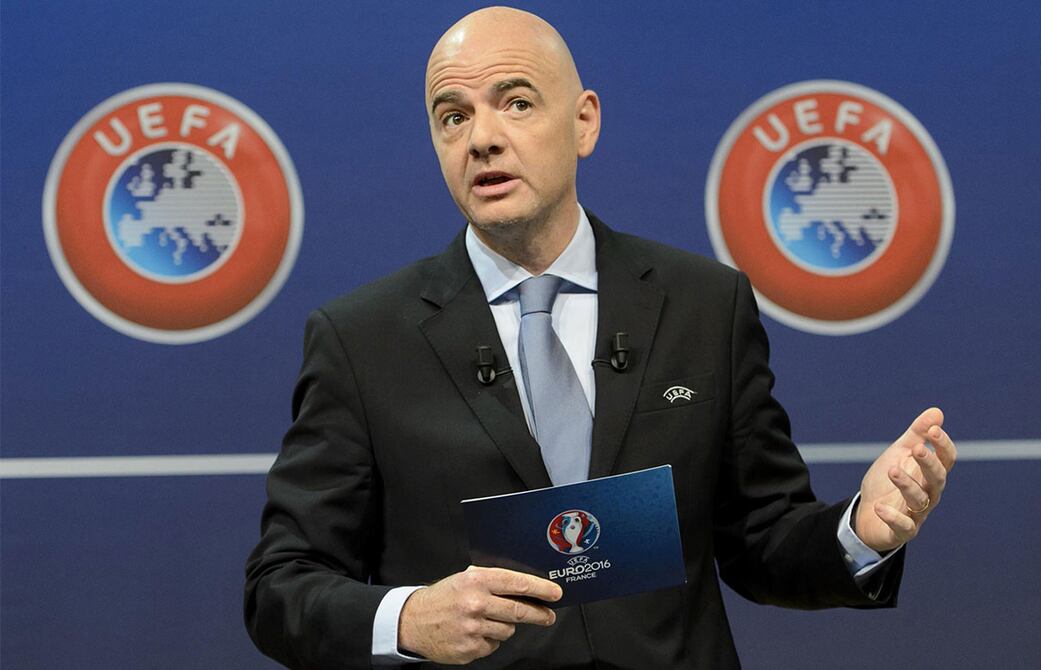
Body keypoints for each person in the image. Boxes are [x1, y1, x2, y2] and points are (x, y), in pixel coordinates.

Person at [245, 7, 956, 669]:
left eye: (516, 103)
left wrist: (863, 529)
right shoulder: (363, 339)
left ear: (583, 122)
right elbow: (281, 587)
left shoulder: (703, 305)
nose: (482, 137)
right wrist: (406, 618)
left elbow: (763, 541)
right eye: (452, 116)